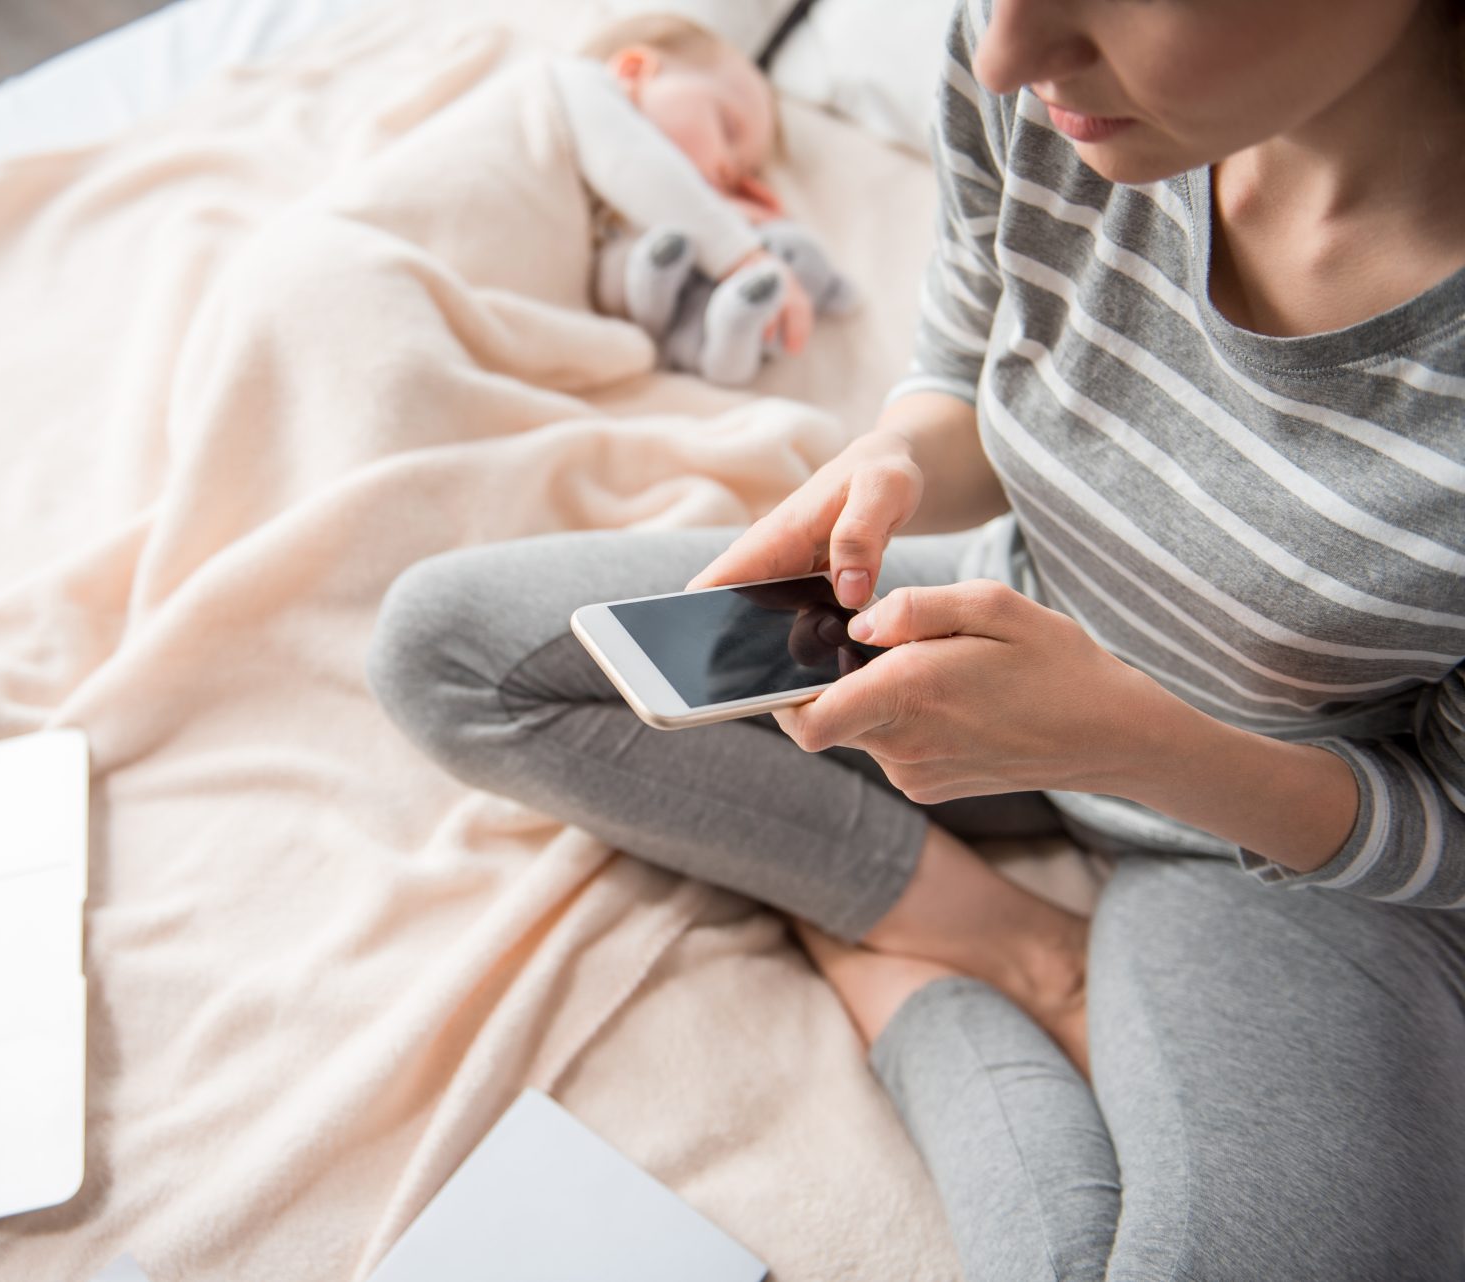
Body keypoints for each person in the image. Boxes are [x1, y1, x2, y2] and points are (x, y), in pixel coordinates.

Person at [367, 0, 1465, 1274]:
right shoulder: (1049, 86)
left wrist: (1126, 742)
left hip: (1276, 843)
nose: (1005, 50)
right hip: (997, 612)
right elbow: (968, 359)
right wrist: (888, 460)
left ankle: (911, 997)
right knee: (448, 649)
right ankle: (1000, 946)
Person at [554, 16, 819, 371]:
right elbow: (633, 163)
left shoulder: (606, 222)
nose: (727, 170)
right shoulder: (574, 81)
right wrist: (746, 254)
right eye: (727, 128)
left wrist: (740, 213)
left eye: (741, 178)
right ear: (633, 70)